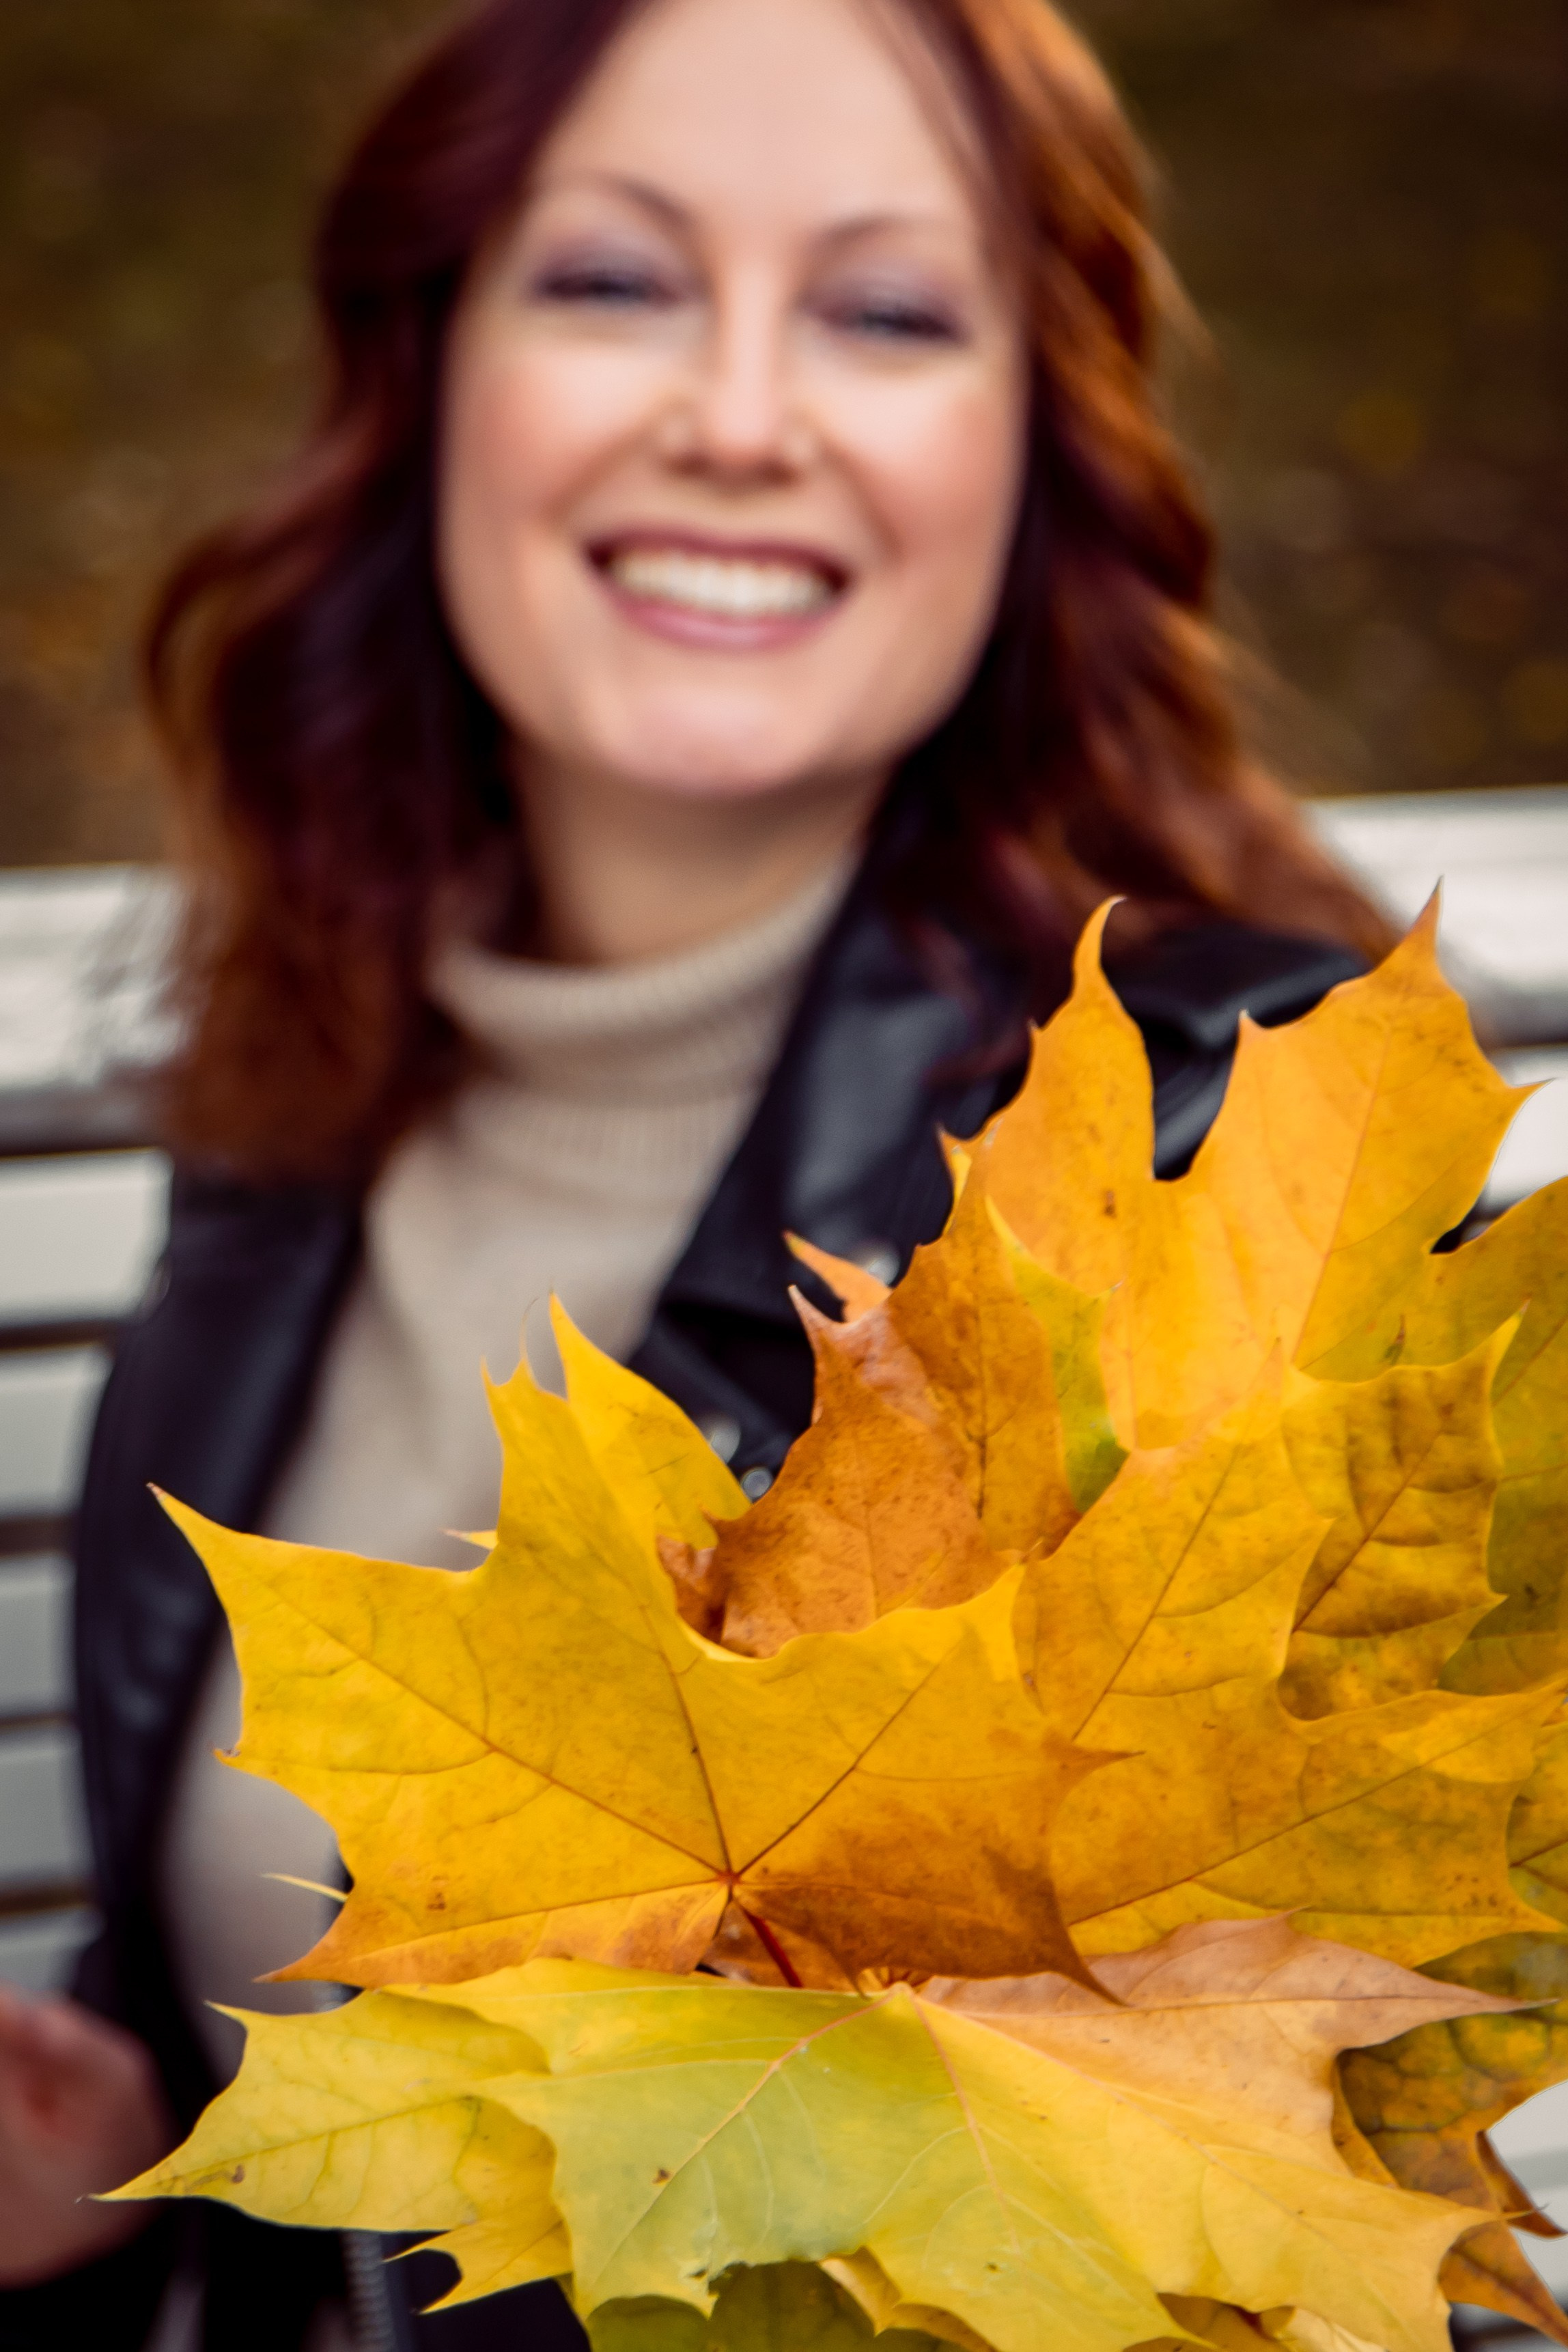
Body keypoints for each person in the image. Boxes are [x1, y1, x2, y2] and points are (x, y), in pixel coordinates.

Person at [0, 0, 1388, 2344]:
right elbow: (298, 2011)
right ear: (432, 371)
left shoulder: (1229, 1164)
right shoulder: (300, 1099)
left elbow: (1296, 2204)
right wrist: (116, 2165)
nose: (740, 416)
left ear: (1035, 439)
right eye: (618, 280)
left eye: (886, 311)